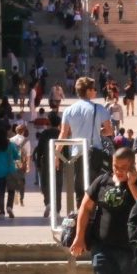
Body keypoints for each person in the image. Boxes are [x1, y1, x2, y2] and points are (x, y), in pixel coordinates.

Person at [56, 77, 112, 208]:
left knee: (79, 188)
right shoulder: (99, 109)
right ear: (88, 91)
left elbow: (63, 133)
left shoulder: (69, 110)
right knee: (95, 188)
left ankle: (80, 216)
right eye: (94, 89)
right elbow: (109, 131)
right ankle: (93, 217)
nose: (96, 91)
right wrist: (99, 132)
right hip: (94, 153)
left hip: (76, 154)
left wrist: (56, 154)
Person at [0, 128, 20, 218]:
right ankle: (9, 207)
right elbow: (16, 156)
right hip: (10, 170)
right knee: (11, 191)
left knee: (1, 192)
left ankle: (1, 212)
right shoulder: (11, 145)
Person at [36, 115, 63, 218]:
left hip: (46, 161)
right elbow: (65, 148)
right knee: (58, 185)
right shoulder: (61, 133)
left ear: (49, 122)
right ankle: (57, 210)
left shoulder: (45, 133)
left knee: (45, 184)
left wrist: (38, 161)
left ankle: (48, 202)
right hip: (59, 162)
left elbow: (39, 149)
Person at [10, 124, 31, 206]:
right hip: (22, 163)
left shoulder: (11, 140)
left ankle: (15, 196)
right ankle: (21, 199)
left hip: (12, 163)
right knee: (21, 181)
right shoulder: (26, 141)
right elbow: (28, 154)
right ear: (23, 131)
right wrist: (28, 165)